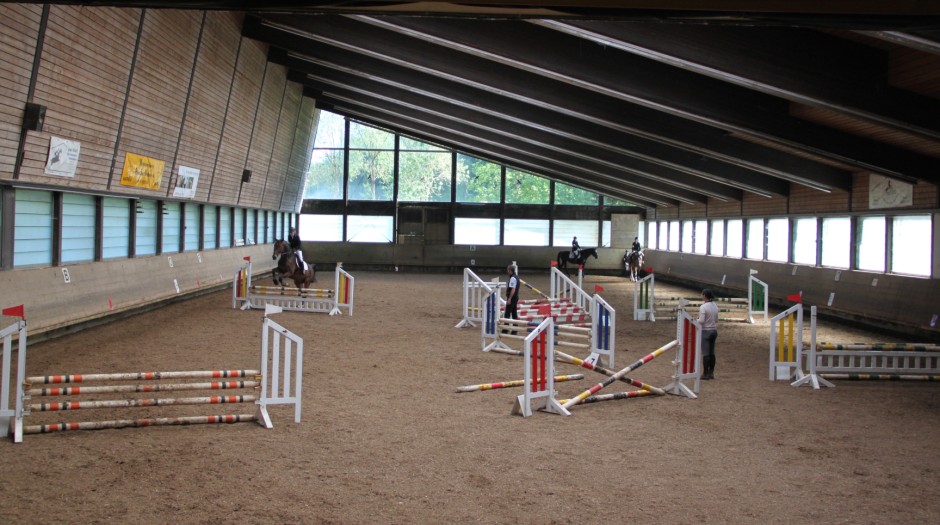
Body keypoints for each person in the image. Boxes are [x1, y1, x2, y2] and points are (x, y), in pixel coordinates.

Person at [698, 289, 719, 380]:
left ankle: (705, 374)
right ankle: (711, 373)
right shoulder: (715, 305)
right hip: (714, 330)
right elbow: (716, 320)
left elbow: (701, 321)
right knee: (712, 353)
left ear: (704, 295)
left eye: (701, 294)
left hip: (706, 331)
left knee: (706, 353)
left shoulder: (703, 307)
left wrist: (694, 320)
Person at [503, 264, 519, 335]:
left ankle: (505, 330)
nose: (507, 271)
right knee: (514, 314)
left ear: (510, 270)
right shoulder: (516, 277)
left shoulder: (512, 278)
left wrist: (509, 298)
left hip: (512, 298)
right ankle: (514, 330)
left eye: (508, 270)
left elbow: (513, 289)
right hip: (515, 297)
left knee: (507, 313)